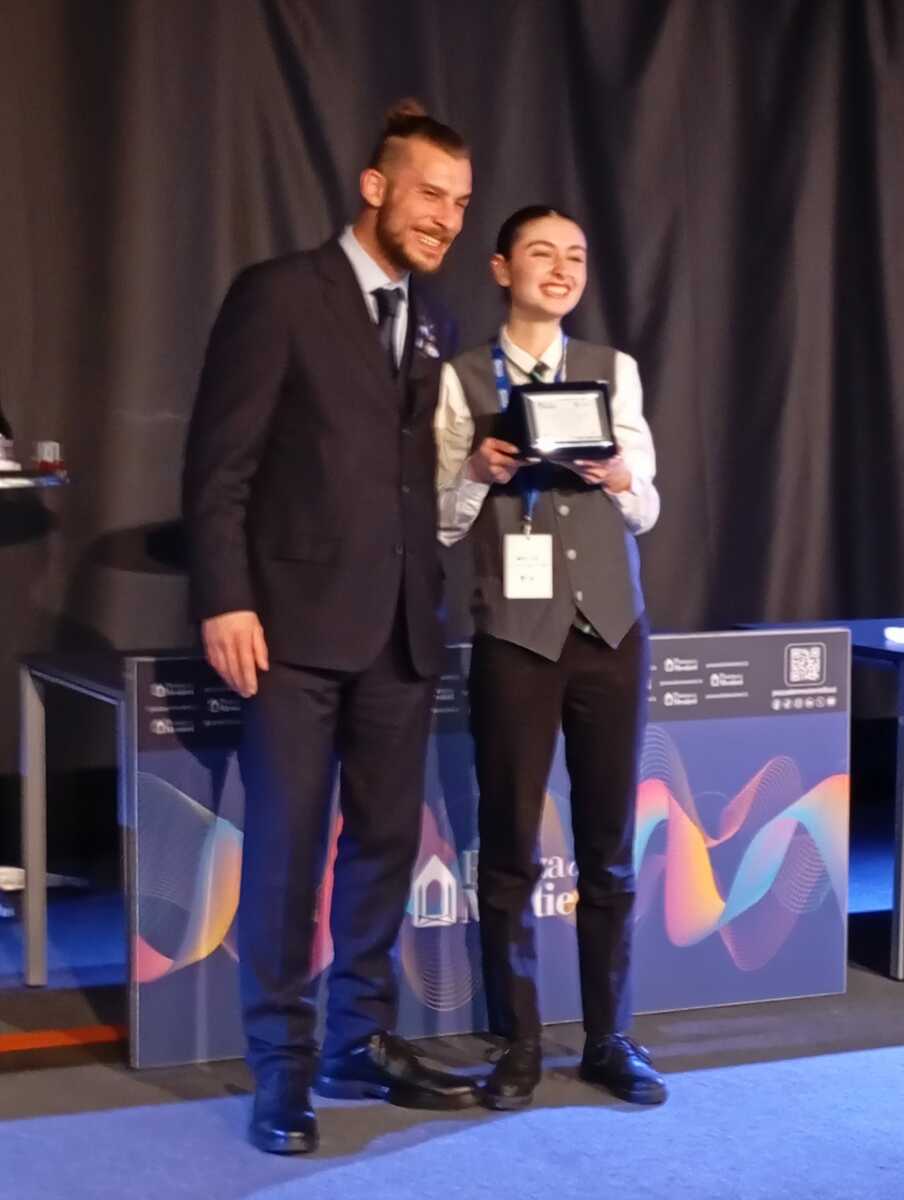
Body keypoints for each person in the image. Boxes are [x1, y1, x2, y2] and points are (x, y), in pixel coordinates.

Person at [183, 101, 478, 1155]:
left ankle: (361, 1042)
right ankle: (282, 1067)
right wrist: (225, 596)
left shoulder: (435, 318)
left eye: (460, 203)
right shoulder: (279, 294)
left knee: (386, 846)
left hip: (401, 633)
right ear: (374, 186)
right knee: (287, 852)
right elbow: (219, 464)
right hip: (292, 631)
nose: (446, 218)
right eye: (431, 194)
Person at [435, 205, 667, 1109]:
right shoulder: (463, 378)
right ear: (502, 269)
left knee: (609, 845)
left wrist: (620, 476)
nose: (561, 269)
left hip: (612, 632)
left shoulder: (615, 370)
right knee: (510, 845)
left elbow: (646, 509)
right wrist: (477, 474)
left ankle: (609, 1037)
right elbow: (440, 522)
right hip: (515, 638)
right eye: (541, 253)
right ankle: (519, 1040)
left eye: (575, 255)